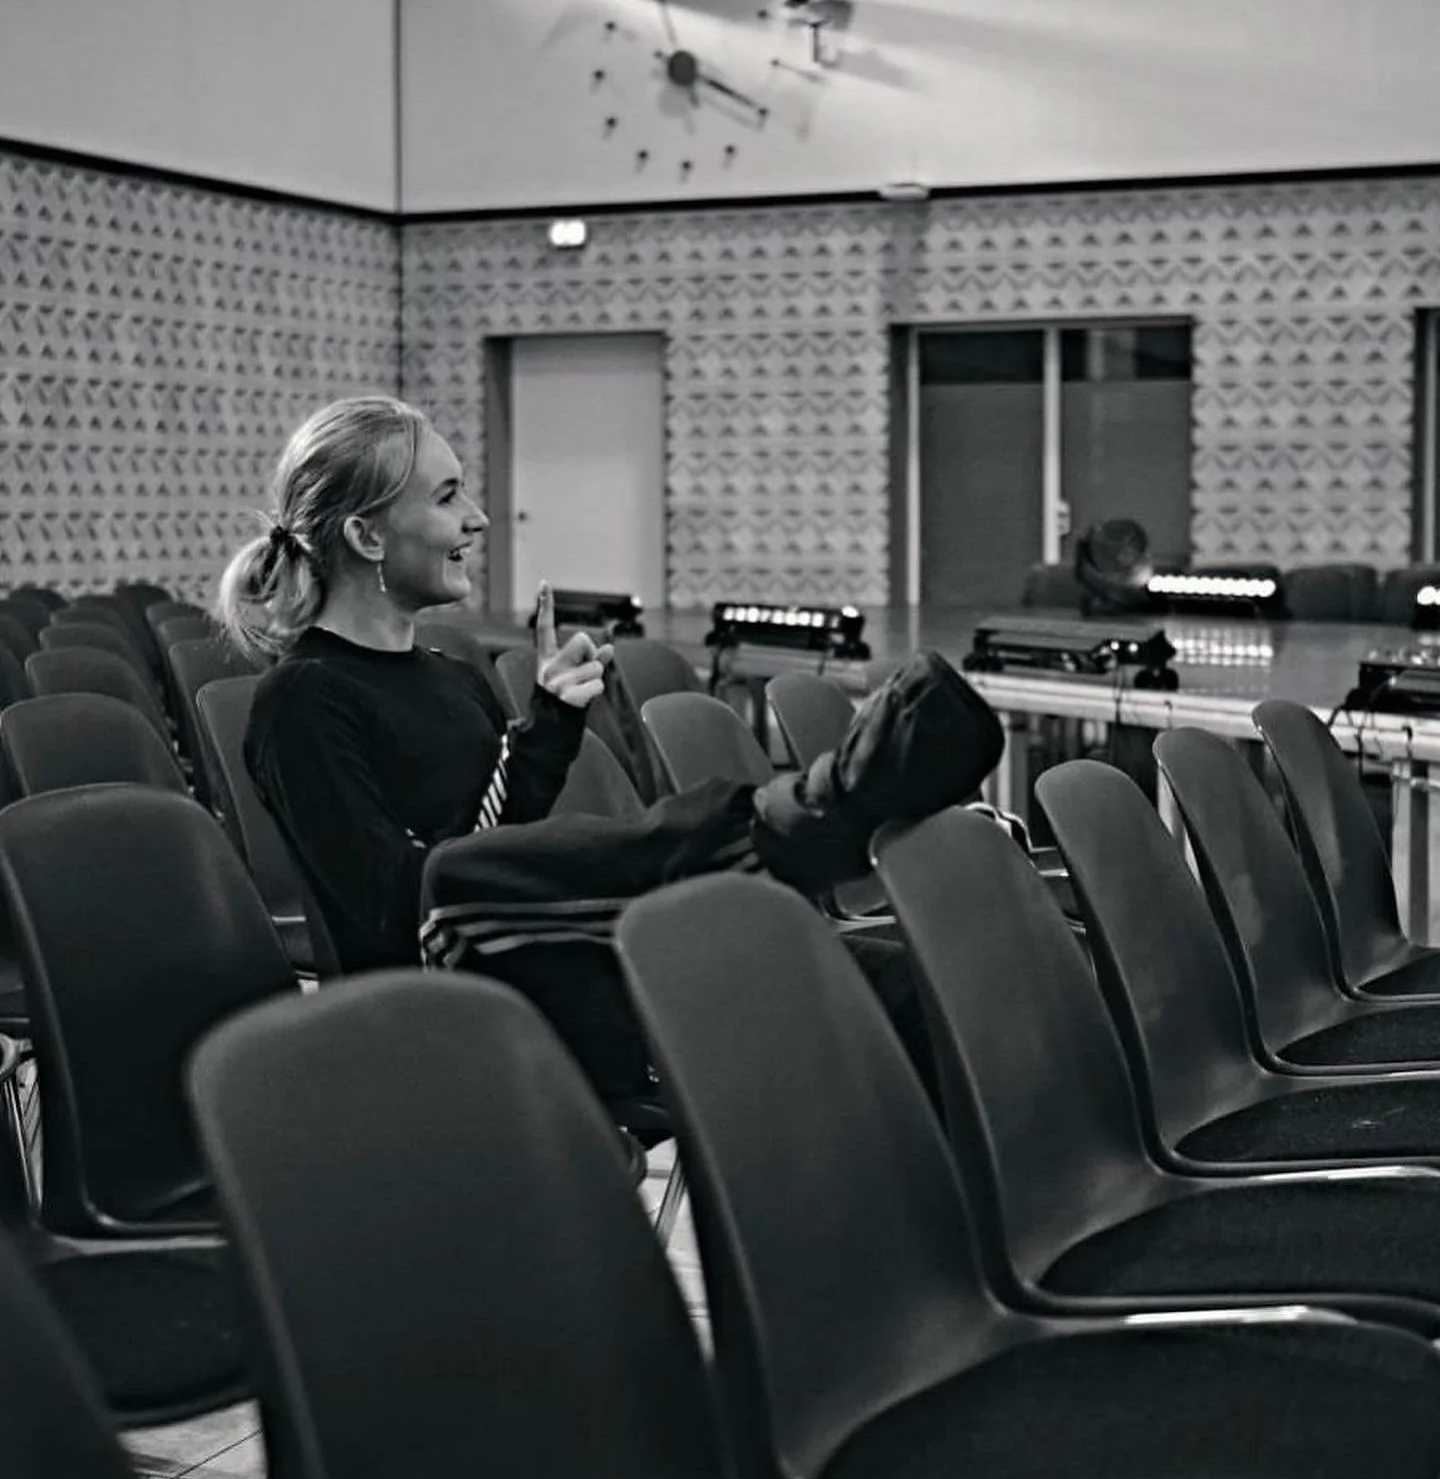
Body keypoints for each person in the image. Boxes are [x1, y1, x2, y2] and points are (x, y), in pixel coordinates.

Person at [218, 394, 1004, 1114]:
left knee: (909, 974)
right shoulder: (302, 700)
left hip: (550, 957)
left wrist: (550, 724)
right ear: (365, 535)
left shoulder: (452, 674)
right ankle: (797, 818)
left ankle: (800, 827)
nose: (482, 518)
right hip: (449, 1010)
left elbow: (500, 837)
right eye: (449, 495)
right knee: (454, 877)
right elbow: (402, 912)